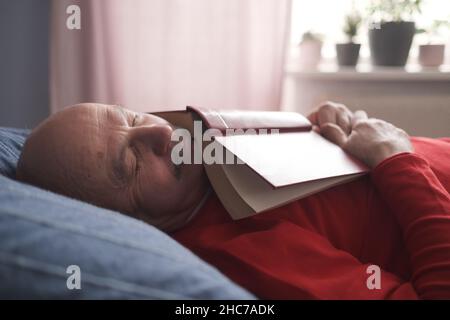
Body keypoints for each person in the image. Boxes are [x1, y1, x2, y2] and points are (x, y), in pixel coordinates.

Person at [16, 102, 450, 299]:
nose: (163, 132)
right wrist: (398, 161)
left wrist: (332, 127)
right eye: (129, 164)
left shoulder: (216, 159)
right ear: (124, 222)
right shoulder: (246, 254)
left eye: (131, 117)